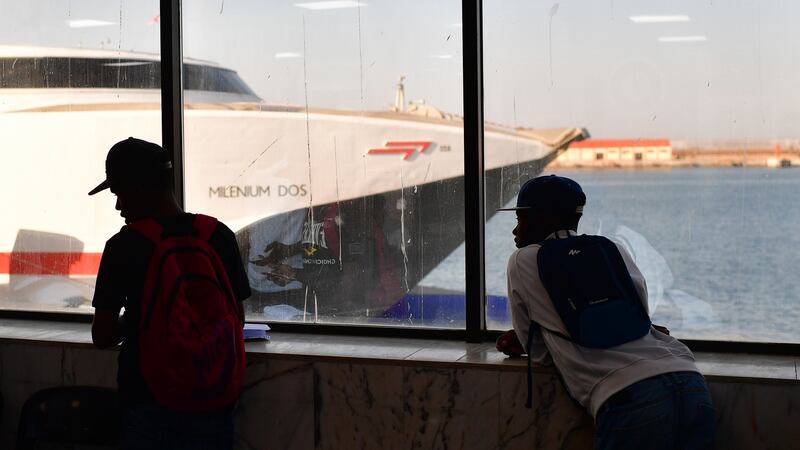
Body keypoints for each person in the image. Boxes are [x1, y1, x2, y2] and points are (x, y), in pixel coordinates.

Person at [496, 175, 714, 450]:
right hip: (690, 381)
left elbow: (541, 355)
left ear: (542, 218)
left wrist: (530, 338)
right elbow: (638, 321)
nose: (515, 231)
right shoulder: (613, 249)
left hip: (629, 397)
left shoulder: (523, 260)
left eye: (520, 219)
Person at [89, 137, 251, 450]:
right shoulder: (218, 235)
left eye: (119, 193)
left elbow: (103, 334)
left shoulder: (123, 246)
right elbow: (237, 320)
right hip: (215, 405)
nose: (118, 205)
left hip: (149, 404)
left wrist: (142, 319)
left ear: (138, 188)